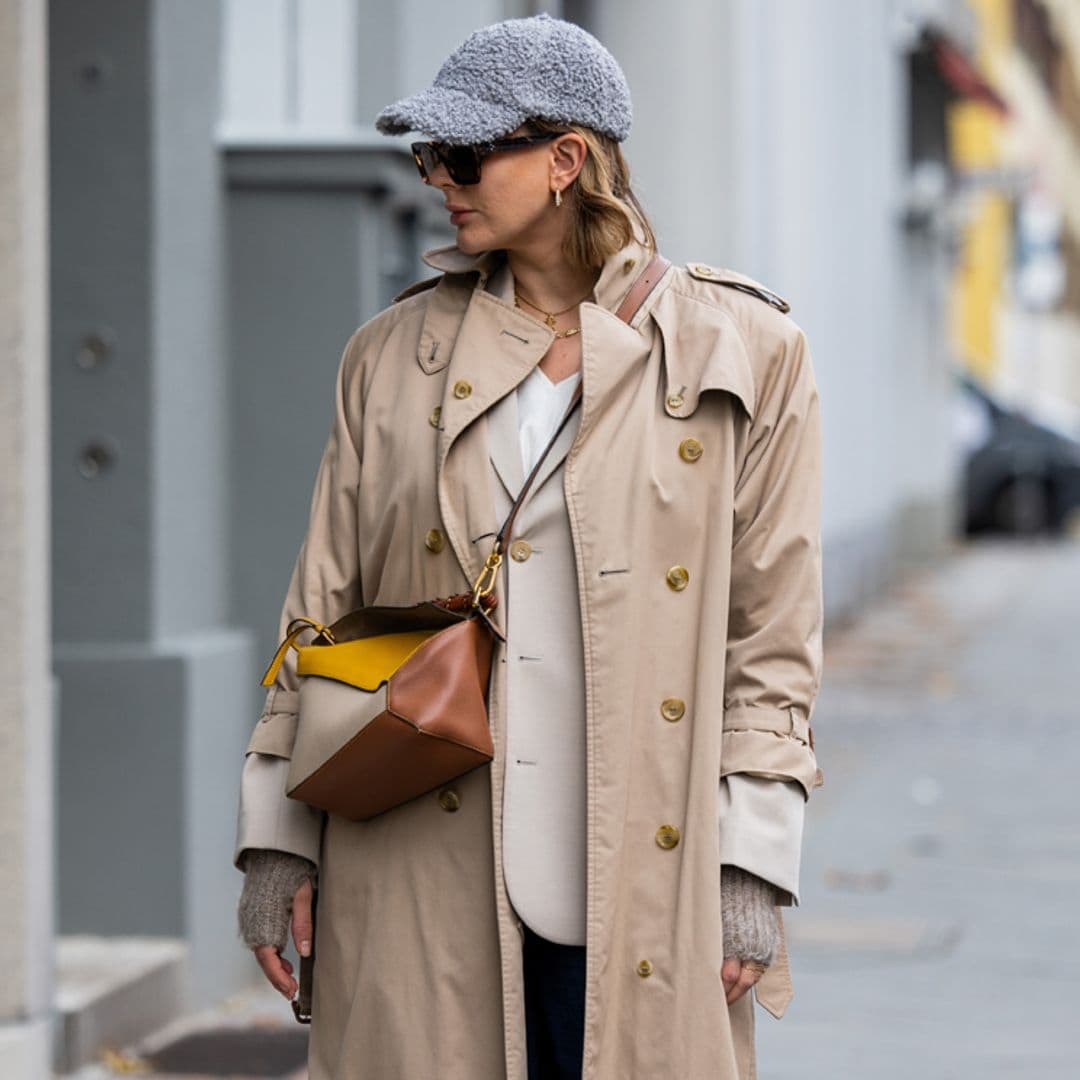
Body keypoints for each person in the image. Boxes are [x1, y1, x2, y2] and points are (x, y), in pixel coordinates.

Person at [234, 13, 823, 1080]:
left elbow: (772, 635)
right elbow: (317, 609)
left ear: (565, 160)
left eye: (464, 156)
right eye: (428, 156)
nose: (438, 181)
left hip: (646, 862)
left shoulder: (747, 351)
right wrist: (278, 840)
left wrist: (754, 862)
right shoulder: (390, 355)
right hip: (421, 850)